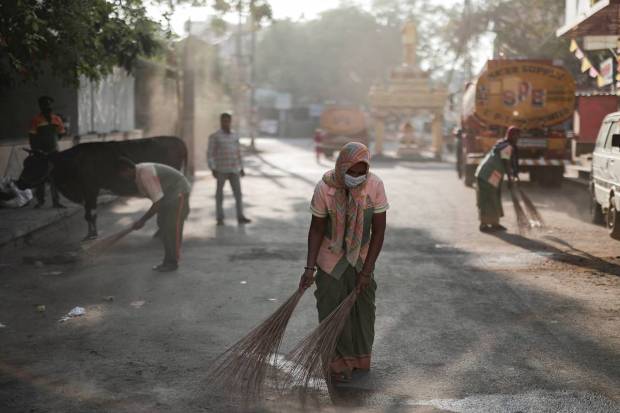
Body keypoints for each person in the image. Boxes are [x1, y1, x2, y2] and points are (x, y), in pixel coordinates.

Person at [299, 142, 388, 382]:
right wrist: (309, 268)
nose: (356, 178)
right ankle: (336, 364)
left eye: (361, 173)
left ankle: (359, 360)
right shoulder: (324, 189)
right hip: (331, 257)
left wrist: (366, 271)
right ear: (341, 168)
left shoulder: (375, 185)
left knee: (363, 308)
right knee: (330, 307)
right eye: (351, 172)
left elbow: (378, 231)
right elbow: (316, 229)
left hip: (362, 256)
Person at [115, 158, 191, 272]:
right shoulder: (138, 172)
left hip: (178, 193)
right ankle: (168, 260)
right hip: (167, 195)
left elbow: (157, 203)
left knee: (171, 228)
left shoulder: (145, 173)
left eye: (122, 174)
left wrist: (142, 220)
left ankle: (171, 263)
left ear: (127, 169)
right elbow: (156, 198)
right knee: (163, 225)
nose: (123, 178)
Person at [207, 113, 251, 226]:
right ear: (220, 122)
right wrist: (213, 168)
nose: (226, 123)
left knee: (238, 194)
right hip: (221, 169)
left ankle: (240, 216)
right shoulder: (215, 136)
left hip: (234, 168)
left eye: (228, 121)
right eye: (224, 121)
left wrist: (242, 167)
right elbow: (210, 153)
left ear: (230, 121)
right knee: (219, 195)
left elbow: (238, 152)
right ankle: (220, 218)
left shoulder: (235, 135)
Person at [474, 126, 520, 232]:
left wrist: (512, 176)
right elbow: (506, 163)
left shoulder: (502, 143)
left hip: (492, 174)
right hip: (487, 174)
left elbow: (508, 163)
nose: (517, 138)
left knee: (494, 198)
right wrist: (510, 179)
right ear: (511, 136)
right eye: (516, 136)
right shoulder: (506, 147)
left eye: (518, 136)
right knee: (486, 199)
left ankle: (494, 223)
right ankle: (484, 224)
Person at [29, 96, 66, 208]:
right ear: (40, 106)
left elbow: (61, 133)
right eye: (44, 104)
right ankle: (40, 201)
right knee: (41, 177)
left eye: (49, 104)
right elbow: (32, 136)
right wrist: (35, 150)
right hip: (40, 153)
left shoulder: (57, 119)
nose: (47, 106)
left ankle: (56, 202)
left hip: (54, 151)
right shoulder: (36, 120)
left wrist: (53, 141)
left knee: (55, 177)